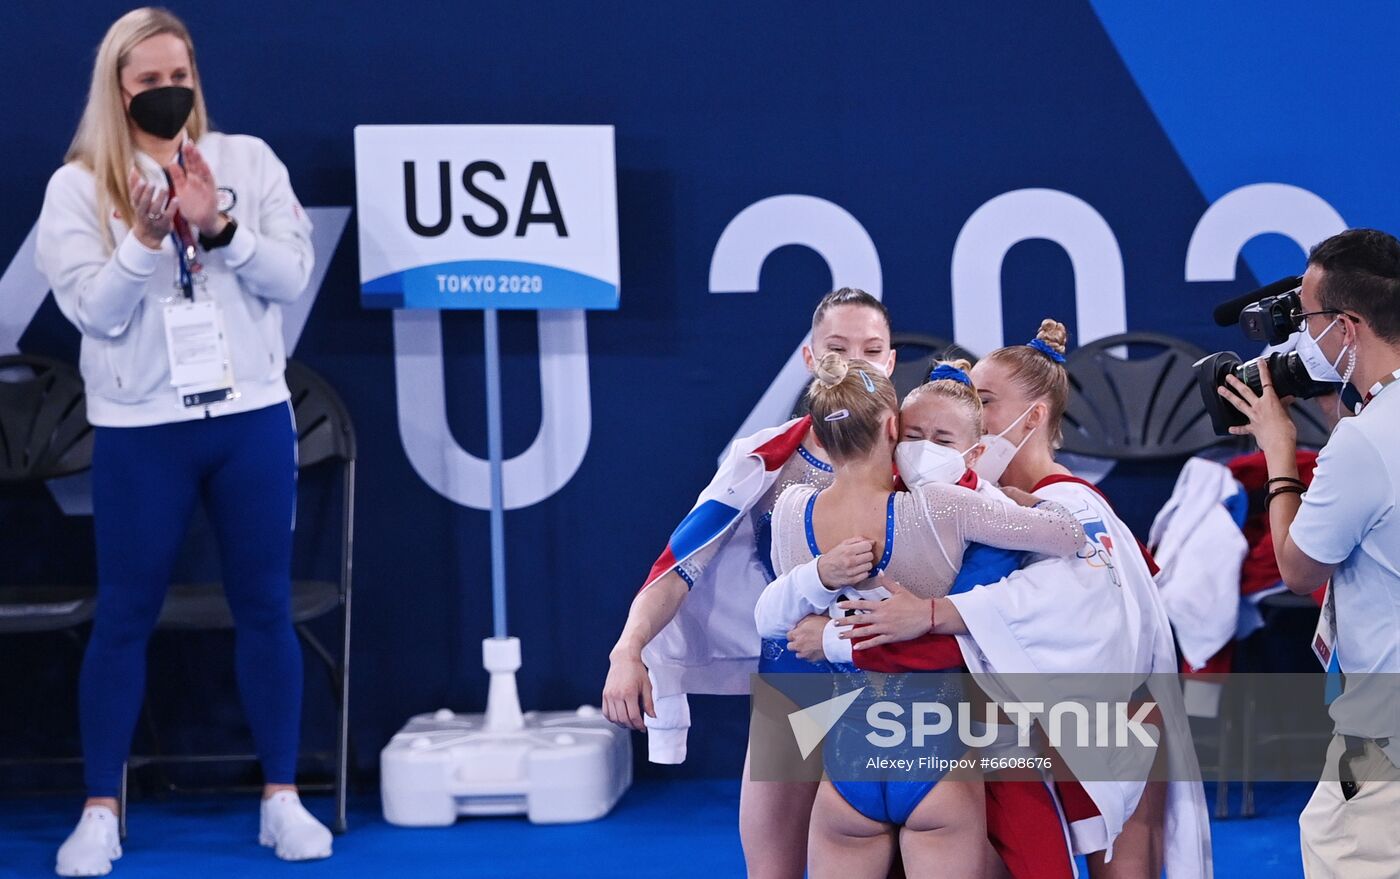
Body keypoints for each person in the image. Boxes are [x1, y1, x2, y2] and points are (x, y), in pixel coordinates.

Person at [34, 9, 326, 875]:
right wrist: (145, 238)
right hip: (141, 432)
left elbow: (292, 274)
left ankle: (282, 797)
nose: (168, 93)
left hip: (249, 420)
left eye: (179, 76)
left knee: (265, 606)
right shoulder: (78, 186)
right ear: (116, 91)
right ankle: (99, 808)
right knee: (124, 613)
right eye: (148, 83)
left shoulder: (247, 162)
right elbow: (93, 309)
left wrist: (222, 229)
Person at [832, 321, 1212, 878]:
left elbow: (1069, 603)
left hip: (1104, 717)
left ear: (1032, 417)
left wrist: (926, 616)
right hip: (1083, 718)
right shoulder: (992, 506)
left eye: (982, 402)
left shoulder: (1062, 507)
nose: (970, 413)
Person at [601, 287, 895, 879]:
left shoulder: (923, 453)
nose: (856, 362)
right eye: (838, 348)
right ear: (811, 360)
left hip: (902, 686)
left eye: (872, 349)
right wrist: (627, 648)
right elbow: (681, 563)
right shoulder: (764, 460)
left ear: (891, 361)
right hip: (798, 686)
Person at [765, 355, 1087, 878]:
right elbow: (1069, 534)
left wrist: (829, 627)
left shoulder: (791, 509)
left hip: (847, 759)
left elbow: (779, 622)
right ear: (893, 429)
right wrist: (1016, 501)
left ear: (819, 440)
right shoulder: (942, 507)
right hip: (937, 754)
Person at [1218, 228, 1400, 879]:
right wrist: (1336, 411)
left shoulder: (1364, 443)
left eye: (1309, 318)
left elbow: (1297, 568)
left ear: (1347, 327)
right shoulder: (1371, 432)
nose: (1302, 336)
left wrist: (1277, 446)